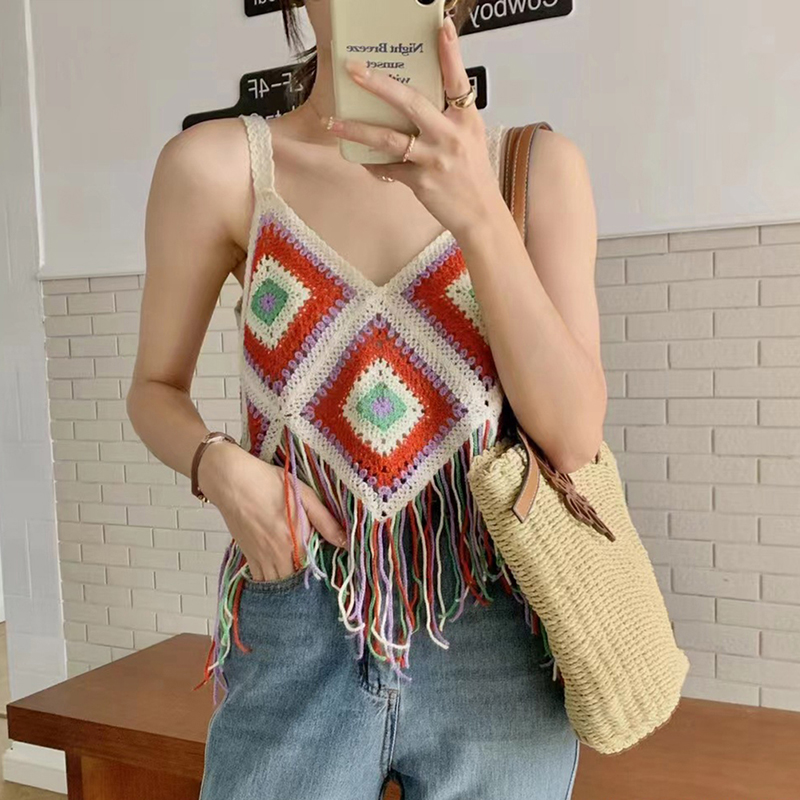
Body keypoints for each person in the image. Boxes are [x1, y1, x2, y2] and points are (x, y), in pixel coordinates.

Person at [126, 0, 606, 797]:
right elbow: (153, 389)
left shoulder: (536, 169)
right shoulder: (220, 168)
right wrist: (220, 469)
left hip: (495, 620)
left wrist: (478, 209)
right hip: (299, 605)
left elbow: (574, 436)